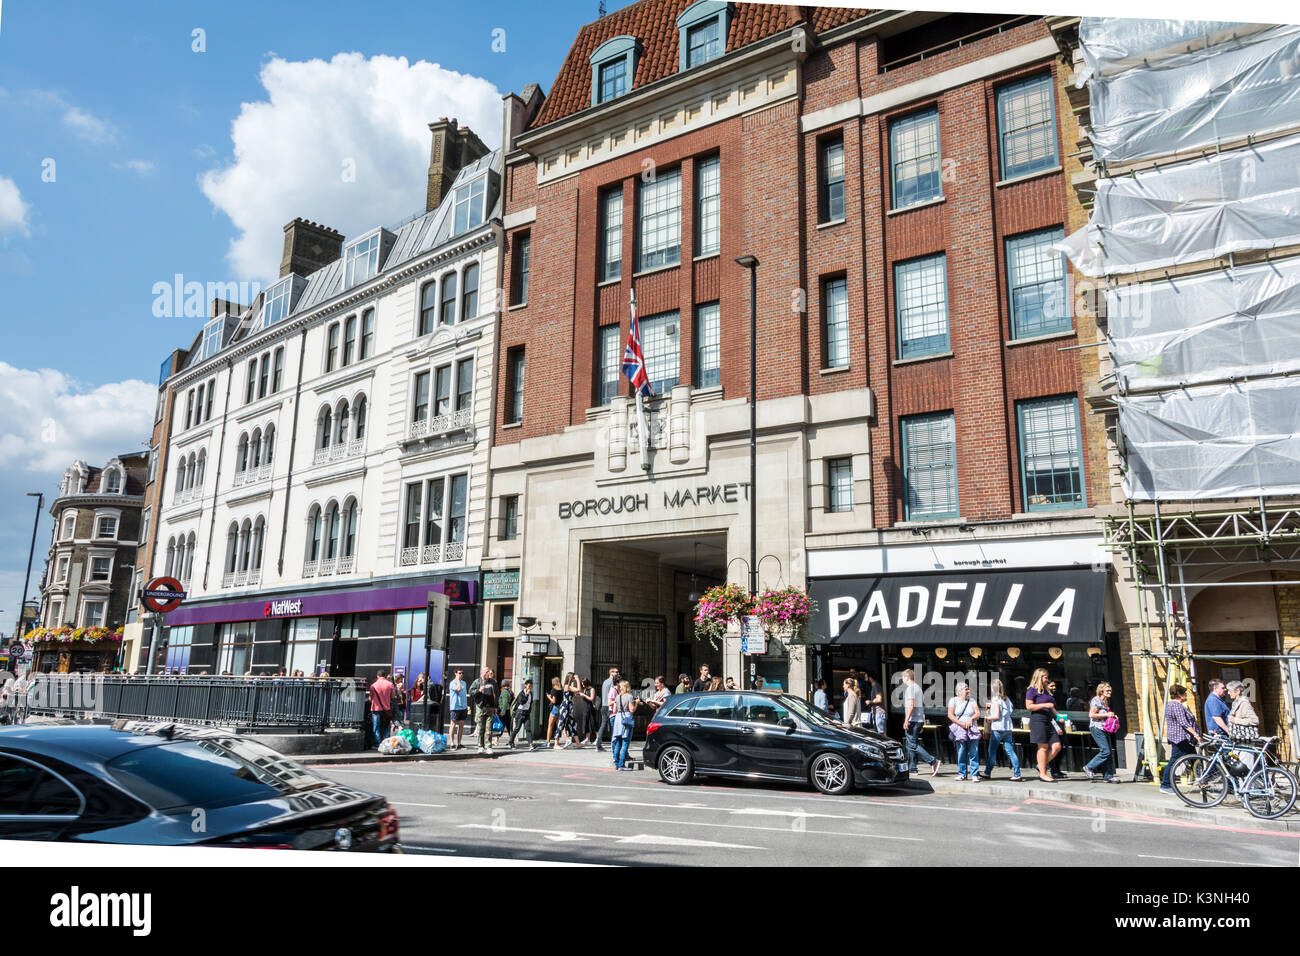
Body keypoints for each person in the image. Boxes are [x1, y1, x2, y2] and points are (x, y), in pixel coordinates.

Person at [1161, 684, 1203, 793]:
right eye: (1184, 693)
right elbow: (1183, 722)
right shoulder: (1176, 705)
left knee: (1195, 760)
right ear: (1179, 694)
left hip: (1184, 739)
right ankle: (1165, 785)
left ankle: (1203, 782)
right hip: (1181, 738)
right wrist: (1196, 734)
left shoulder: (1172, 705)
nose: (1186, 695)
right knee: (1175, 761)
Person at [980, 679, 1021, 781]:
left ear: (992, 688)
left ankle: (987, 772)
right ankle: (1017, 773)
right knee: (1010, 751)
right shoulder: (1006, 699)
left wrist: (987, 718)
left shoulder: (995, 699)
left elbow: (996, 715)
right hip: (1007, 727)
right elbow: (1010, 711)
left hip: (998, 728)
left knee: (992, 751)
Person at [901, 669, 940, 776]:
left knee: (912, 744)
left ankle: (933, 761)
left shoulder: (910, 689)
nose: (902, 679)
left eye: (903, 677)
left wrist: (906, 720)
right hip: (918, 719)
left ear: (907, 678)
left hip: (913, 720)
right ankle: (913, 768)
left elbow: (911, 705)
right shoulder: (918, 688)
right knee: (910, 744)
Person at [1026, 668, 1062, 783]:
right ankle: (1043, 773)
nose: (1047, 679)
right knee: (1043, 747)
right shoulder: (1031, 690)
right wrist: (1044, 705)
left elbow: (1052, 706)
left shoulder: (1046, 690)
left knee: (1057, 746)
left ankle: (1041, 764)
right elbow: (1029, 706)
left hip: (1050, 720)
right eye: (1045, 677)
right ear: (1039, 677)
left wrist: (1059, 716)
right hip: (1038, 720)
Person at [1084, 682, 1121, 783]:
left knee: (1108, 752)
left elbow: (1105, 714)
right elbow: (1091, 715)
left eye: (1110, 690)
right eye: (1107, 691)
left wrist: (1112, 716)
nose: (1110, 692)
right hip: (1096, 728)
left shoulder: (1106, 701)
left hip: (1104, 728)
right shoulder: (1096, 700)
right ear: (1101, 691)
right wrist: (1107, 715)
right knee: (1105, 751)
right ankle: (1089, 767)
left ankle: (1108, 776)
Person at [947, 682, 982, 781]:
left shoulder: (972, 701)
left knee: (973, 752)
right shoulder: (953, 700)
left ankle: (974, 774)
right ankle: (962, 773)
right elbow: (950, 715)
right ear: (960, 691)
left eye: (968, 689)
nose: (968, 691)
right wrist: (960, 724)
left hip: (972, 729)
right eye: (966, 689)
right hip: (960, 729)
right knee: (961, 751)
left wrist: (971, 719)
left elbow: (978, 713)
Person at [468, 667, 499, 754]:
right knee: (481, 728)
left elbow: (497, 694)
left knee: (489, 729)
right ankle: (480, 746)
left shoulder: (493, 682)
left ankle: (488, 746)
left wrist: (496, 706)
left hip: (490, 708)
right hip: (481, 707)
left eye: (488, 672)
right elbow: (470, 691)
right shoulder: (477, 682)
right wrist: (478, 690)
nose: (488, 674)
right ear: (482, 673)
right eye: (486, 672)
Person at [611, 679, 639, 770]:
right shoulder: (630, 696)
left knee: (618, 741)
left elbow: (614, 710)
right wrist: (637, 703)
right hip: (626, 718)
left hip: (618, 718)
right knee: (625, 742)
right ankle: (622, 765)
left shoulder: (618, 696)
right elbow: (632, 710)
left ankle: (616, 762)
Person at [368, 669, 395, 747]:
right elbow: (392, 696)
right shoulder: (390, 684)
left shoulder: (373, 686)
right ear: (385, 676)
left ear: (377, 676)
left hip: (376, 709)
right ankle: (386, 743)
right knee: (386, 725)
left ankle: (377, 744)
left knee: (376, 726)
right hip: (386, 709)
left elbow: (370, 699)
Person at [596, 666, 620, 752]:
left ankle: (598, 744)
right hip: (609, 706)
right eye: (616, 672)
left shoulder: (605, 681)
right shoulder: (612, 682)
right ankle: (614, 744)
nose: (617, 673)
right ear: (611, 673)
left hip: (604, 705)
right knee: (613, 725)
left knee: (604, 725)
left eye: (617, 672)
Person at [508, 678, 536, 750]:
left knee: (528, 729)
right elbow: (522, 702)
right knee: (517, 728)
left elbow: (530, 704)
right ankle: (510, 742)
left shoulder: (531, 694)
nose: (530, 688)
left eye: (531, 686)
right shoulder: (522, 693)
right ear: (525, 686)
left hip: (526, 713)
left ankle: (530, 744)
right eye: (529, 686)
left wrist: (529, 711)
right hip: (520, 712)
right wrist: (526, 694)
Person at [447, 668, 469, 750]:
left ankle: (459, 743)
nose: (461, 675)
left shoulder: (464, 683)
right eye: (459, 673)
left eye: (462, 673)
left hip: (463, 706)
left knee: (461, 725)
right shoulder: (452, 683)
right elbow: (458, 689)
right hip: (455, 706)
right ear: (455, 674)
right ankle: (452, 743)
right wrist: (458, 681)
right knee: (453, 724)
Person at [545, 675, 563, 747]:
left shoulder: (554, 690)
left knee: (550, 726)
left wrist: (548, 697)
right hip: (560, 708)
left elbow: (554, 701)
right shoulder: (561, 690)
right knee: (558, 726)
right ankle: (557, 742)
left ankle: (548, 742)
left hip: (555, 708)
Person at [580, 678, 598, 744]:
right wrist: (581, 696)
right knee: (586, 723)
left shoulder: (592, 689)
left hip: (590, 707)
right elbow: (585, 699)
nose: (582, 685)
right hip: (585, 708)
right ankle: (587, 738)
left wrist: (584, 695)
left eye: (583, 684)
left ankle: (597, 738)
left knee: (593, 723)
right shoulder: (585, 689)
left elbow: (591, 698)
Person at [498, 679, 515, 746]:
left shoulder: (504, 692)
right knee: (508, 727)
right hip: (508, 711)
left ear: (503, 684)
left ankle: (495, 740)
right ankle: (511, 741)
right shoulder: (509, 691)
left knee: (500, 727)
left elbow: (505, 703)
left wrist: (502, 712)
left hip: (505, 711)